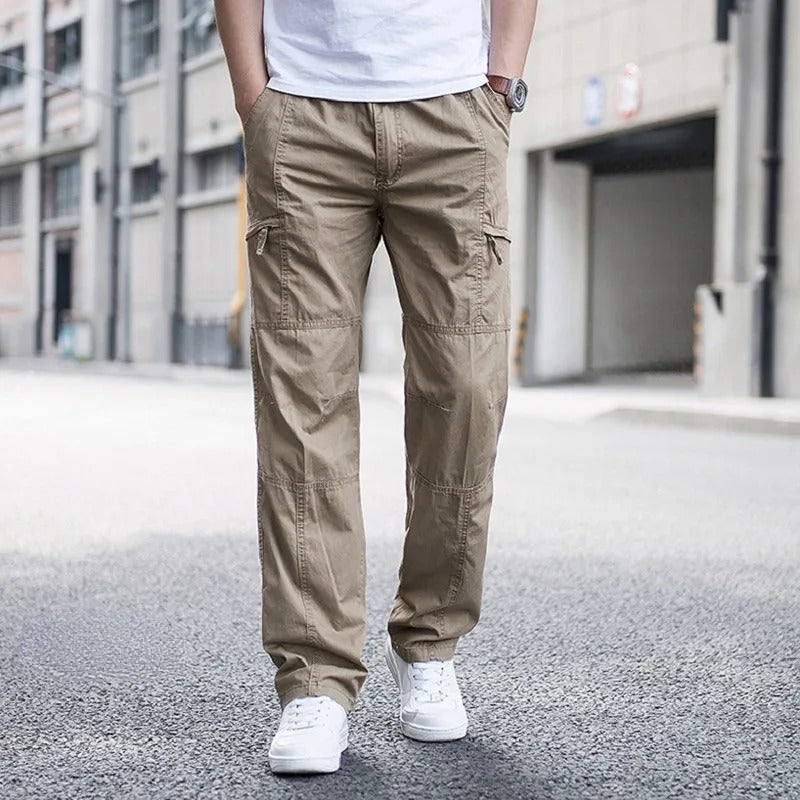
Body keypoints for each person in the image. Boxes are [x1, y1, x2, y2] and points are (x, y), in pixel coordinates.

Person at [214, 0, 538, 775]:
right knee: (303, 402)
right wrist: (255, 98)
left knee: (466, 391)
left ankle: (429, 642)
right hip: (303, 113)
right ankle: (315, 680)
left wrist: (502, 82)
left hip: (456, 110)